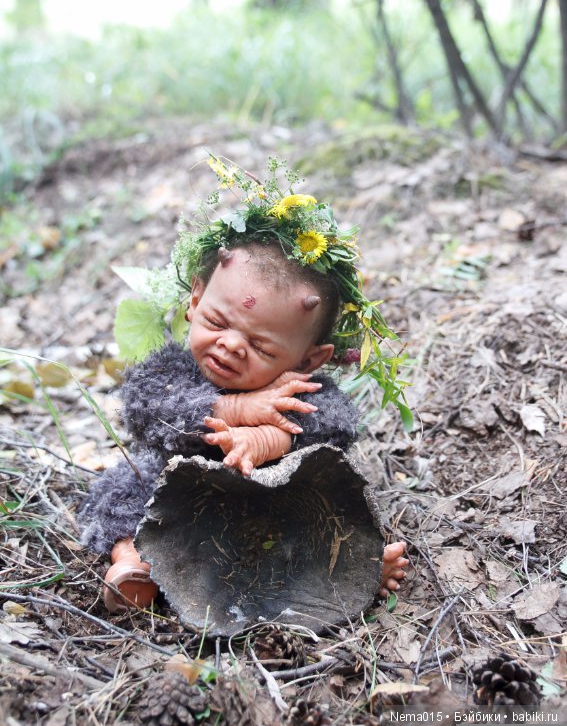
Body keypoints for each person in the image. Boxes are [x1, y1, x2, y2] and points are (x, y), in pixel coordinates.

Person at [78, 159, 409, 612]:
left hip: (261, 505)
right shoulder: (172, 368)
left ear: (309, 359)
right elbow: (144, 407)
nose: (230, 345)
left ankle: (348, 571)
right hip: (167, 495)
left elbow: (335, 427)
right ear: (194, 302)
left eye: (261, 346)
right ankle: (134, 562)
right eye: (217, 321)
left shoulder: (301, 388)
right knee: (120, 490)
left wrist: (268, 436)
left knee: (316, 519)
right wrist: (230, 410)